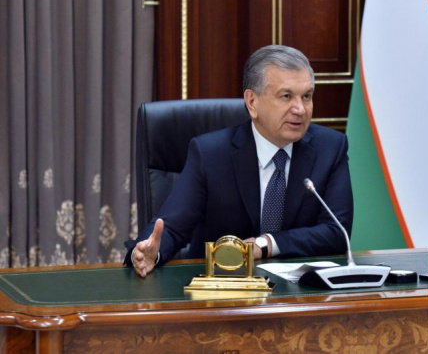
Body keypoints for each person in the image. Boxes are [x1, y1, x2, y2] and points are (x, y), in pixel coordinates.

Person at [125, 45, 353, 278]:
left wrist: (266, 244)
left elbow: (337, 232)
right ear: (252, 102)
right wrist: (148, 253)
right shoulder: (210, 154)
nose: (300, 109)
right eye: (286, 96)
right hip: (221, 287)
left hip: (301, 291)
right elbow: (172, 227)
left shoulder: (330, 148)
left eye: (306, 96)